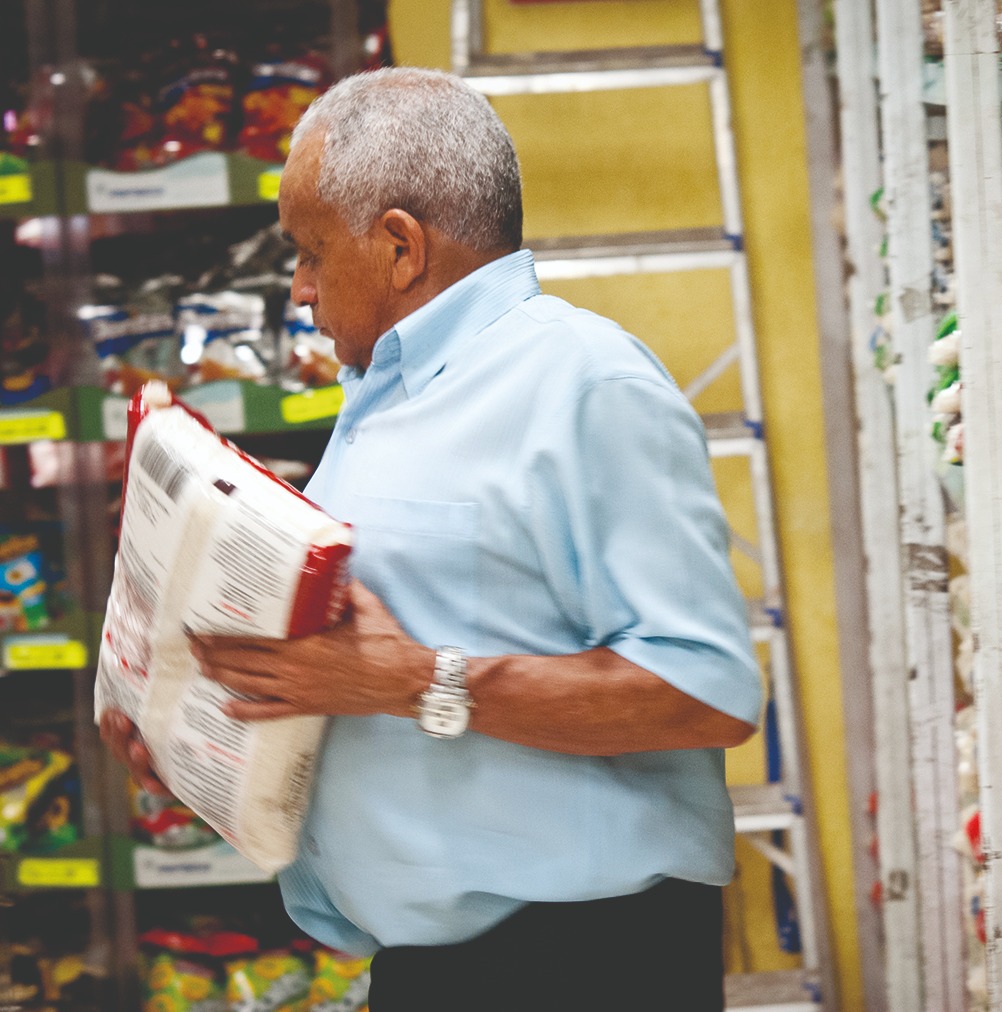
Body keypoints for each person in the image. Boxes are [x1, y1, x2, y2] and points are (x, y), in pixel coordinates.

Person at [100, 66, 764, 1011]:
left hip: (580, 965)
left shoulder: (583, 383)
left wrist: (414, 681)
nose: (299, 289)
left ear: (402, 246)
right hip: (429, 969)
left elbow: (706, 694)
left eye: (311, 253)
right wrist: (193, 729)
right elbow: (369, 672)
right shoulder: (382, 397)